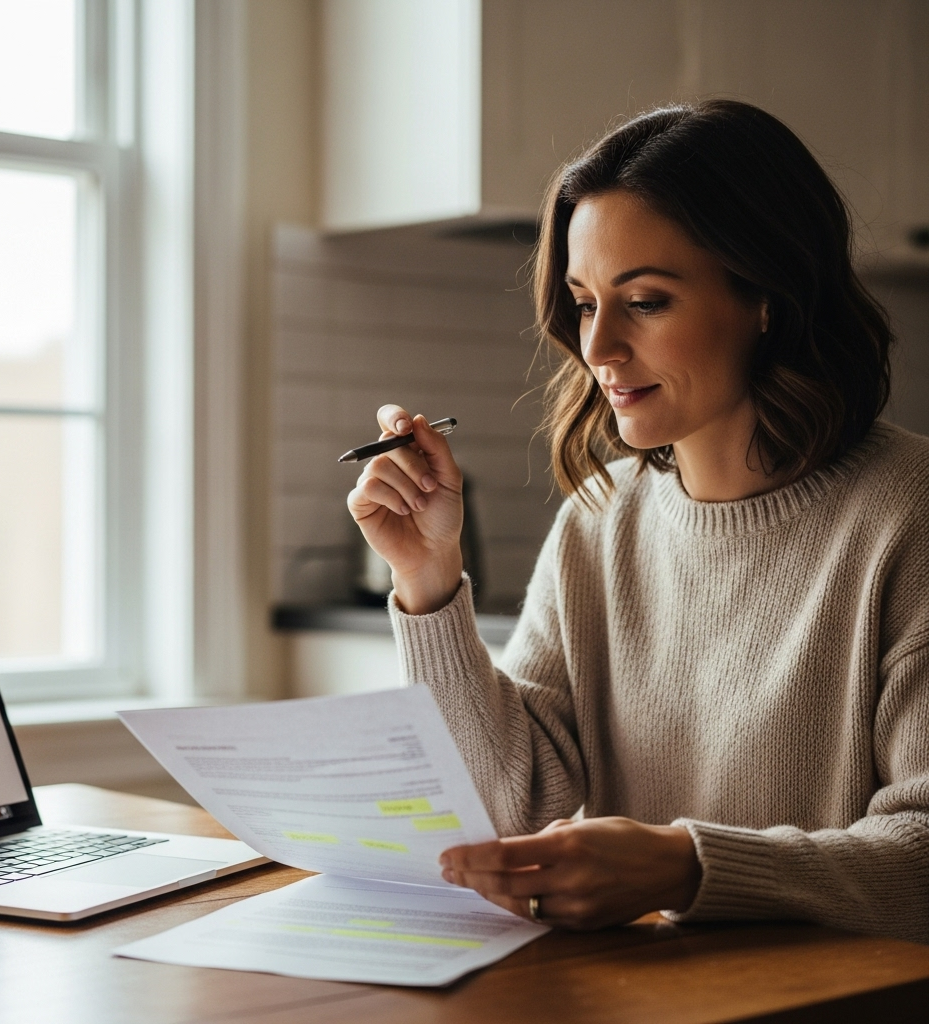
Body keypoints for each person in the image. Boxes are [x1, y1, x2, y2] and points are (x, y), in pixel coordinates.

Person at [346, 100, 929, 943]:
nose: (600, 348)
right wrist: (429, 577)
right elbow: (507, 804)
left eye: (646, 301)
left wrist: (686, 866)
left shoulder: (909, 516)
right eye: (584, 303)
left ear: (766, 297)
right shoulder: (600, 519)